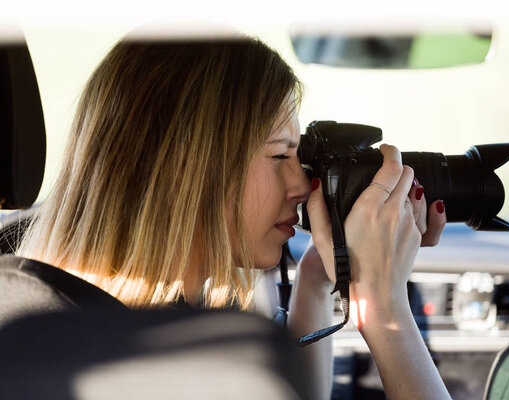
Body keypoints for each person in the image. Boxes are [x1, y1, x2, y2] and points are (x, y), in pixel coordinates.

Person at [16, 34, 450, 399]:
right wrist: (384, 302)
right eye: (280, 154)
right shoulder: (167, 368)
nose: (301, 185)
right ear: (189, 168)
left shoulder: (35, 304)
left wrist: (318, 278)